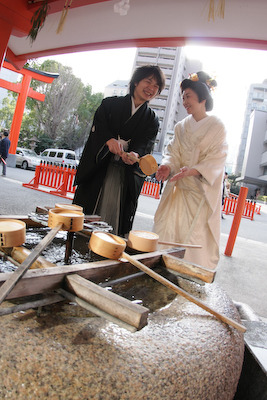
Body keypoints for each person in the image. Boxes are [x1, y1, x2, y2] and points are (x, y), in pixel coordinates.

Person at [73, 65, 165, 236]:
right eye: (148, 82)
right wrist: (108, 140)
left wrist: (135, 154)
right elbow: (98, 128)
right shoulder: (109, 104)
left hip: (124, 175)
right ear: (136, 82)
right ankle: (79, 241)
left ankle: (109, 248)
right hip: (99, 168)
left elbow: (146, 144)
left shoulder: (152, 120)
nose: (151, 89)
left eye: (156, 86)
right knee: (86, 214)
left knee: (116, 219)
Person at [154, 71, 228, 270]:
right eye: (183, 97)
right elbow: (173, 152)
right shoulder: (181, 127)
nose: (184, 101)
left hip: (199, 194)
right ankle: (165, 270)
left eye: (188, 96)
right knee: (170, 234)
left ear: (202, 97)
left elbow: (216, 158)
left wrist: (194, 170)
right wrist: (167, 166)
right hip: (179, 193)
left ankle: (190, 275)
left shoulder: (217, 126)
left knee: (194, 240)